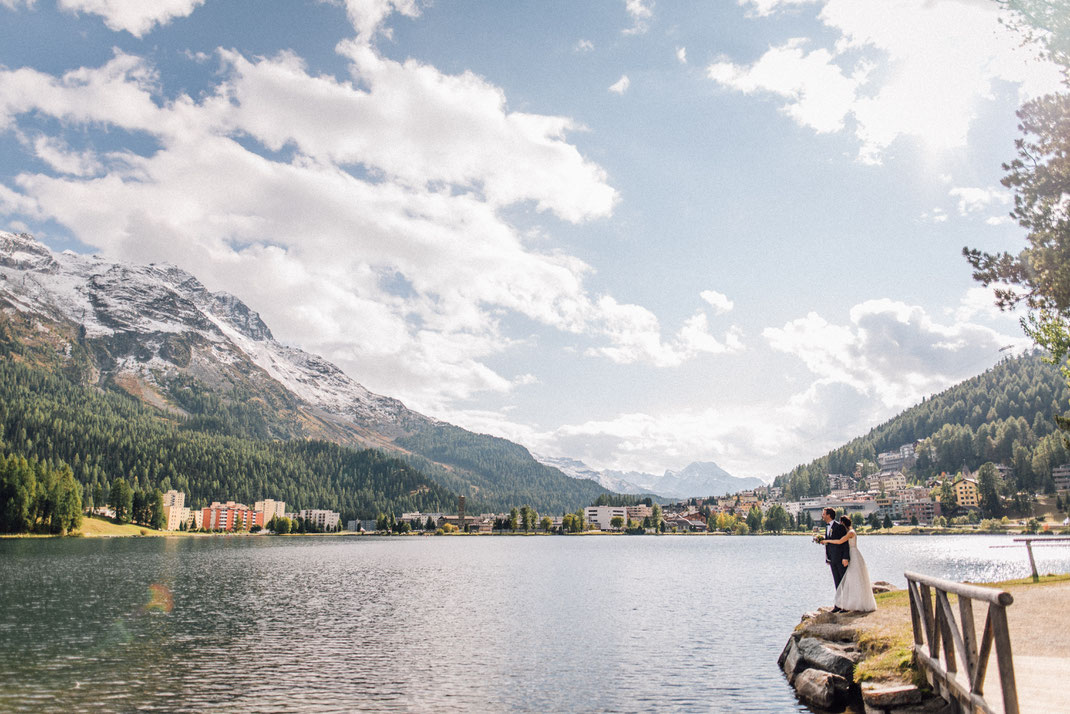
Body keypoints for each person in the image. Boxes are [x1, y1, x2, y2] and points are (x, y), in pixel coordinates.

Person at [822, 516, 877, 613]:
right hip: (852, 554)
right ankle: (849, 604)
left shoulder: (850, 533)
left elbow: (840, 541)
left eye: (840, 523)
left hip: (853, 555)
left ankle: (849, 605)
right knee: (852, 581)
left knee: (851, 580)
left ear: (843, 523)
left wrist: (827, 541)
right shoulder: (850, 531)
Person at [819, 507, 850, 611]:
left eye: (823, 514)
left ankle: (846, 605)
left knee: (843, 582)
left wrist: (846, 557)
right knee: (837, 582)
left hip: (841, 558)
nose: (822, 515)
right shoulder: (827, 527)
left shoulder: (839, 527)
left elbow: (845, 543)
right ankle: (838, 605)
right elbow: (829, 544)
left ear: (828, 515)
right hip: (832, 559)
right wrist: (827, 558)